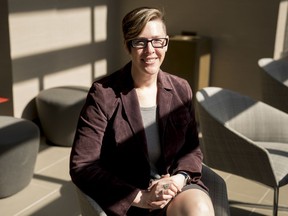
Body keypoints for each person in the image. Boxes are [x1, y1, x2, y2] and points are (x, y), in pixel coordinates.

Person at [70, 6, 215, 216]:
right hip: (132, 198)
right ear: (128, 46)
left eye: (157, 40)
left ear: (166, 43)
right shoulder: (104, 94)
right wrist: (141, 197)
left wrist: (179, 178)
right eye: (140, 42)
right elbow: (82, 165)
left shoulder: (180, 88)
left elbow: (192, 149)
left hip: (173, 188)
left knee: (199, 209)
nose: (150, 50)